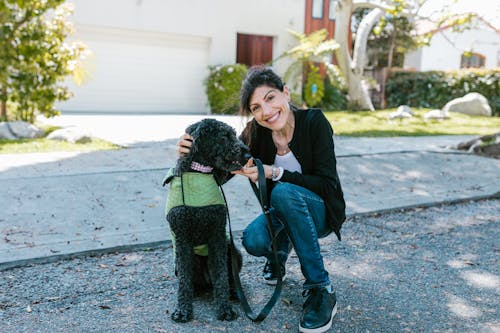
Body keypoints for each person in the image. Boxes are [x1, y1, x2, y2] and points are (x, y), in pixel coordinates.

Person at [176, 66, 346, 333]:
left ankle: (320, 289)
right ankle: (278, 255)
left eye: (270, 98)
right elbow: (221, 173)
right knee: (253, 240)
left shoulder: (314, 122)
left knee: (283, 191)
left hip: (321, 213)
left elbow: (327, 184)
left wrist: (274, 172)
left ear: (285, 93)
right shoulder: (255, 133)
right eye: (256, 107)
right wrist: (191, 153)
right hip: (282, 212)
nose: (266, 111)